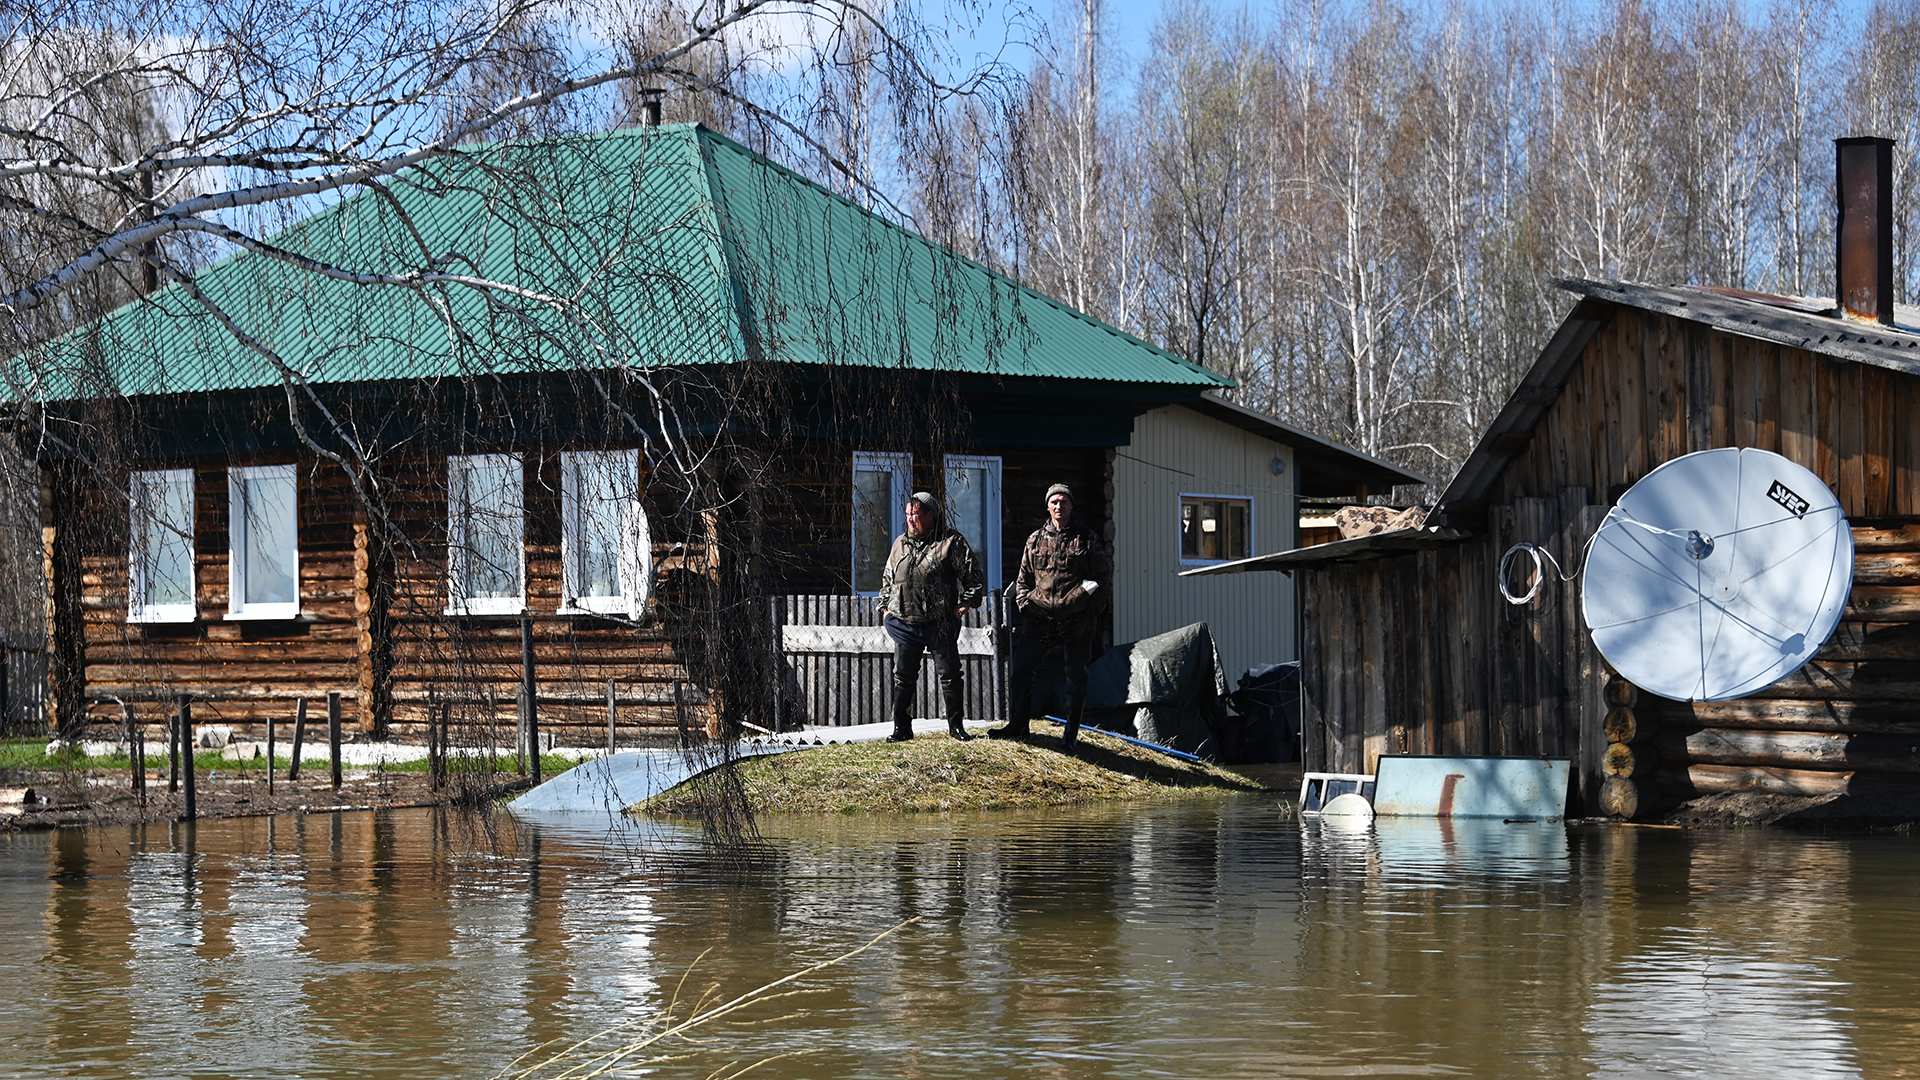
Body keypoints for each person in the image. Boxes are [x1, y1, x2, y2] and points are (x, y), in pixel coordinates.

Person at [992, 483, 1111, 752]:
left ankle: (1070, 734)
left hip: (1076, 620)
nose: (1059, 506)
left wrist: (1090, 611)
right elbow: (1022, 579)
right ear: (1047, 506)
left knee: (1075, 677)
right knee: (1021, 670)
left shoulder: (1087, 538)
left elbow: (1103, 581)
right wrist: (1025, 603)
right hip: (1040, 618)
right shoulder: (1034, 540)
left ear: (1071, 506)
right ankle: (1018, 726)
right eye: (1054, 502)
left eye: (1064, 502)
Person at [877, 491, 986, 742]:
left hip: (940, 622)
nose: (910, 520)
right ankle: (901, 729)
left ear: (931, 515)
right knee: (903, 677)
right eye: (907, 515)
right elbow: (887, 579)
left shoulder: (951, 542)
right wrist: (885, 609)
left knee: (950, 676)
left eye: (915, 515)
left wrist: (965, 603)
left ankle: (956, 728)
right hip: (906, 622)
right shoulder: (900, 543)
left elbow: (974, 577)